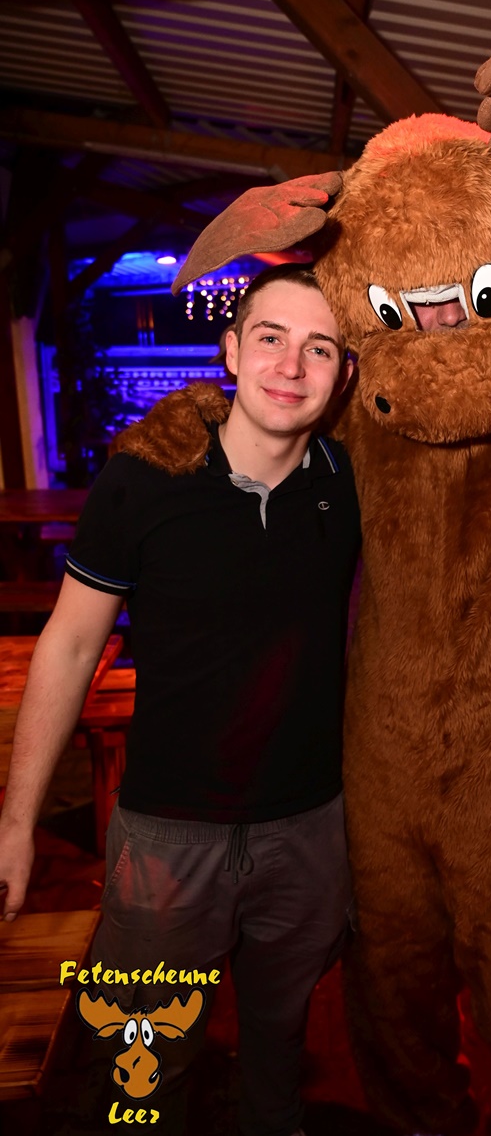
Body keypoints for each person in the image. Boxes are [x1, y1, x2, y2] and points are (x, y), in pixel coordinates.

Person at [0, 264, 360, 1136]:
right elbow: (70, 648)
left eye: (319, 348)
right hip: (167, 838)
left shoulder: (349, 482)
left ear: (345, 373)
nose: (291, 365)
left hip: (309, 832)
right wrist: (15, 824)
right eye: (270, 338)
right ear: (230, 351)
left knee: (278, 1062)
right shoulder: (144, 481)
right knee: (141, 1076)